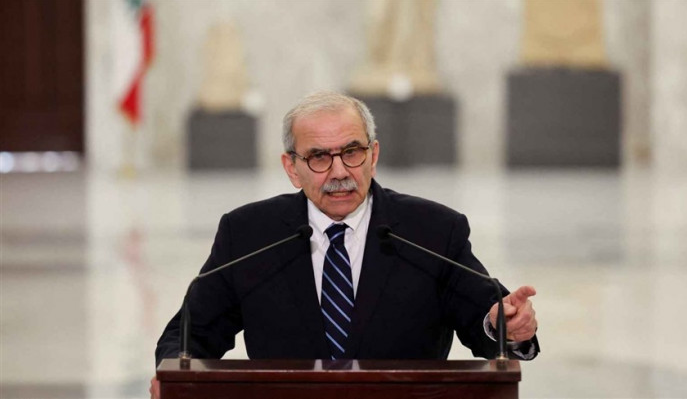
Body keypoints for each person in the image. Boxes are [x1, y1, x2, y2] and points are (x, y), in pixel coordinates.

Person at [150, 91, 539, 397]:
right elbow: (188, 335)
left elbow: (487, 319)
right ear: (292, 168)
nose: (339, 171)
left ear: (373, 155)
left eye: (352, 152)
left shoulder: (432, 231)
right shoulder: (250, 234)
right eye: (319, 157)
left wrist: (506, 326)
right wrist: (173, 378)